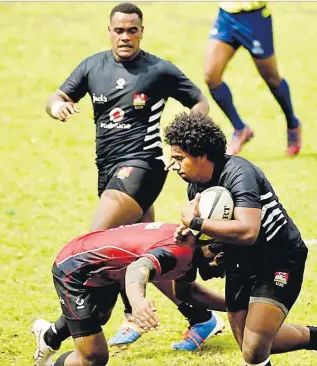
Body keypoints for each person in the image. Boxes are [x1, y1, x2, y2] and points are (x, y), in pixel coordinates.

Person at [43, 1, 215, 352]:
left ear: (141, 32)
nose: (125, 37)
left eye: (132, 30)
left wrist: (183, 144)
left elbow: (199, 101)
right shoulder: (93, 66)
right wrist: (56, 106)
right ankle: (200, 317)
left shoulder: (158, 70)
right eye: (119, 30)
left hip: (143, 167)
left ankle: (57, 334)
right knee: (139, 253)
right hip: (108, 170)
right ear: (110, 31)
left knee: (90, 246)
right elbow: (58, 95)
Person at [163, 112, 317, 366]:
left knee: (253, 349)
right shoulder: (197, 185)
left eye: (179, 158)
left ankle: (303, 331)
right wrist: (193, 240)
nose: (174, 165)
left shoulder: (240, 173)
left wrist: (195, 222)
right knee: (252, 344)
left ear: (202, 155)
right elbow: (214, 233)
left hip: (279, 258)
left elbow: (248, 231)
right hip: (241, 262)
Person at [31, 223, 226, 366]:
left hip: (105, 267)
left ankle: (48, 337)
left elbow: (189, 293)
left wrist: (241, 306)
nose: (224, 273)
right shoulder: (178, 251)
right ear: (216, 253)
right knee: (93, 357)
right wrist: (137, 302)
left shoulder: (192, 244)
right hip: (76, 268)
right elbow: (137, 268)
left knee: (98, 316)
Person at [204, 2, 302, 156]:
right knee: (211, 77)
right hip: (226, 16)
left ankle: (293, 124)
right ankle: (240, 129)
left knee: (271, 78)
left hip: (255, 19)